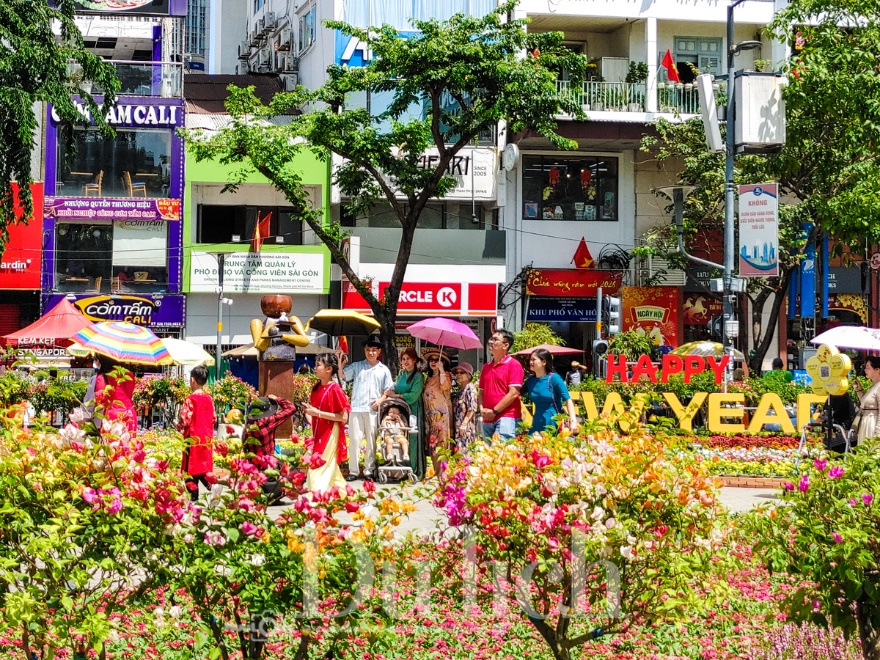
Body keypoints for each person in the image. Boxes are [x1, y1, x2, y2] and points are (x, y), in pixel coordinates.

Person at [339, 335, 394, 481]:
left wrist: (381, 400)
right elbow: (343, 375)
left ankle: (369, 470)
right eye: (368, 350)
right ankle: (353, 471)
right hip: (356, 408)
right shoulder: (357, 366)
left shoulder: (384, 370)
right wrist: (340, 361)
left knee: (371, 441)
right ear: (364, 350)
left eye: (373, 350)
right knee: (355, 440)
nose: (370, 353)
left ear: (378, 352)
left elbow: (388, 390)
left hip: (373, 410)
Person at [301, 352, 350, 493]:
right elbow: (315, 415)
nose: (315, 368)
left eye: (318, 365)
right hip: (318, 432)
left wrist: (317, 413)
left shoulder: (334, 389)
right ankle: (349, 498)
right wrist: (310, 414)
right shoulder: (316, 389)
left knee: (317, 466)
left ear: (329, 369)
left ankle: (314, 500)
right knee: (332, 472)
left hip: (330, 433)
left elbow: (343, 417)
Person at [380, 348, 426, 479]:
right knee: (399, 436)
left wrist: (397, 395)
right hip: (400, 410)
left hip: (413, 410)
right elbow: (395, 386)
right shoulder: (402, 374)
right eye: (403, 359)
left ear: (414, 360)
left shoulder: (418, 376)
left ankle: (414, 468)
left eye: (408, 359)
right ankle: (400, 469)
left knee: (412, 436)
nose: (405, 362)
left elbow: (413, 395)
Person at [176, 365, 216, 502]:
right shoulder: (209, 399)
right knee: (202, 467)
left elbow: (185, 420)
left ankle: (194, 498)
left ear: (192, 380)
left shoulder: (190, 399)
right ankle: (211, 486)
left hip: (192, 438)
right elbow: (213, 418)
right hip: (206, 438)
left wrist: (178, 424)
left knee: (189, 469)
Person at [479, 329, 525, 440]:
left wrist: (495, 411)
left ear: (505, 345)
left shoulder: (514, 365)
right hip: (487, 418)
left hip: (507, 417)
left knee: (503, 452)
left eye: (495, 340)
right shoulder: (486, 367)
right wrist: (481, 409)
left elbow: (513, 393)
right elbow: (481, 391)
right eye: (491, 339)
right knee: (487, 454)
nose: (491, 342)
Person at [524, 347, 580, 435]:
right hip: (537, 421)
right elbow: (515, 393)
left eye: (533, 359)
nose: (531, 362)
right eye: (530, 359)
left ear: (544, 362)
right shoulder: (530, 380)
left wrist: (573, 421)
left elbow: (568, 399)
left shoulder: (554, 378)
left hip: (554, 421)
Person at [422, 348, 452, 473]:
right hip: (429, 417)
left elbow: (446, 387)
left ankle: (442, 472)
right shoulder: (428, 378)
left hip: (441, 416)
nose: (434, 362)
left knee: (442, 443)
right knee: (432, 444)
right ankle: (435, 471)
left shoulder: (445, 375)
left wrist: (441, 370)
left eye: (437, 360)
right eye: (431, 360)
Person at [94, 355, 137, 433]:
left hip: (113, 415)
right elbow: (129, 393)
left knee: (112, 444)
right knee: (129, 443)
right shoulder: (129, 374)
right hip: (129, 413)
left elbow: (101, 401)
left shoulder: (102, 377)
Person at [452, 361, 478, 451]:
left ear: (468, 375)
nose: (458, 375)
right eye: (457, 373)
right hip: (457, 427)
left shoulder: (470, 388)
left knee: (464, 456)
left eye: (462, 372)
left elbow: (472, 409)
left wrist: (464, 425)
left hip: (466, 428)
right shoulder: (460, 390)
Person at [855, 355, 880, 444]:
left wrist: (878, 432)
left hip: (873, 423)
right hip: (866, 422)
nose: (865, 370)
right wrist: (859, 390)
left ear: (877, 370)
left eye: (868, 367)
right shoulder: (873, 386)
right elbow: (865, 404)